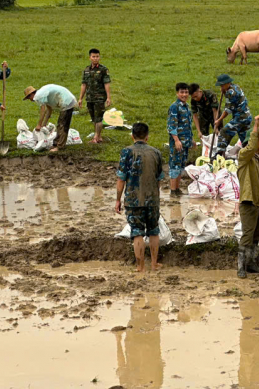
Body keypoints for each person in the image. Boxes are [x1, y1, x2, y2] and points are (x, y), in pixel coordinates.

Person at [115, 122, 164, 273]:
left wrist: (118, 199)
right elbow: (159, 179)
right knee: (154, 230)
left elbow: (121, 179)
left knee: (137, 232)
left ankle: (140, 267)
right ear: (147, 137)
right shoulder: (156, 153)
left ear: (132, 136)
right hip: (152, 199)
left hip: (133, 199)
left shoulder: (126, 152)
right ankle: (154, 264)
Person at [236, 114, 259, 278]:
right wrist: (256, 125)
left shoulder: (258, 160)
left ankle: (251, 263)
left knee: (256, 235)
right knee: (247, 235)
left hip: (258, 202)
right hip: (248, 202)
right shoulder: (244, 156)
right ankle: (241, 266)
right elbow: (252, 144)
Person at [23, 83, 78, 153]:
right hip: (66, 101)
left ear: (31, 94)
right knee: (59, 124)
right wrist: (44, 124)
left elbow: (42, 111)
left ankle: (60, 146)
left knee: (63, 125)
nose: (30, 100)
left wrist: (39, 124)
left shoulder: (38, 96)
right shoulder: (42, 94)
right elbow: (49, 110)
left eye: (28, 98)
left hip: (67, 101)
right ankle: (56, 144)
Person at [213, 74, 252, 158]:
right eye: (221, 86)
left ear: (228, 83)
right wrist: (224, 90)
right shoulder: (235, 87)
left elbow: (228, 110)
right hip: (247, 117)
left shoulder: (231, 92)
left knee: (224, 132)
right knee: (245, 139)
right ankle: (250, 156)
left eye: (222, 85)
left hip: (240, 118)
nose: (221, 87)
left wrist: (219, 120)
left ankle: (219, 155)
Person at [78, 48, 111, 144]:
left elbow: (107, 83)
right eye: (93, 56)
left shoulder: (103, 70)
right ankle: (99, 136)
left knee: (99, 118)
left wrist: (108, 97)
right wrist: (80, 98)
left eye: (97, 56)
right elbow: (84, 84)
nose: (95, 58)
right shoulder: (86, 70)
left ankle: (96, 138)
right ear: (90, 57)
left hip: (99, 98)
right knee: (94, 118)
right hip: (89, 98)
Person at [167, 82, 194, 196]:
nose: (184, 94)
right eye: (182, 92)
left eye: (186, 92)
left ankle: (177, 189)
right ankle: (173, 190)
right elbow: (171, 126)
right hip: (177, 143)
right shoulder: (175, 107)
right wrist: (176, 140)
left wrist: (191, 140)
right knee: (175, 165)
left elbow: (188, 126)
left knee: (181, 166)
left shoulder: (187, 107)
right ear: (177, 93)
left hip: (185, 142)